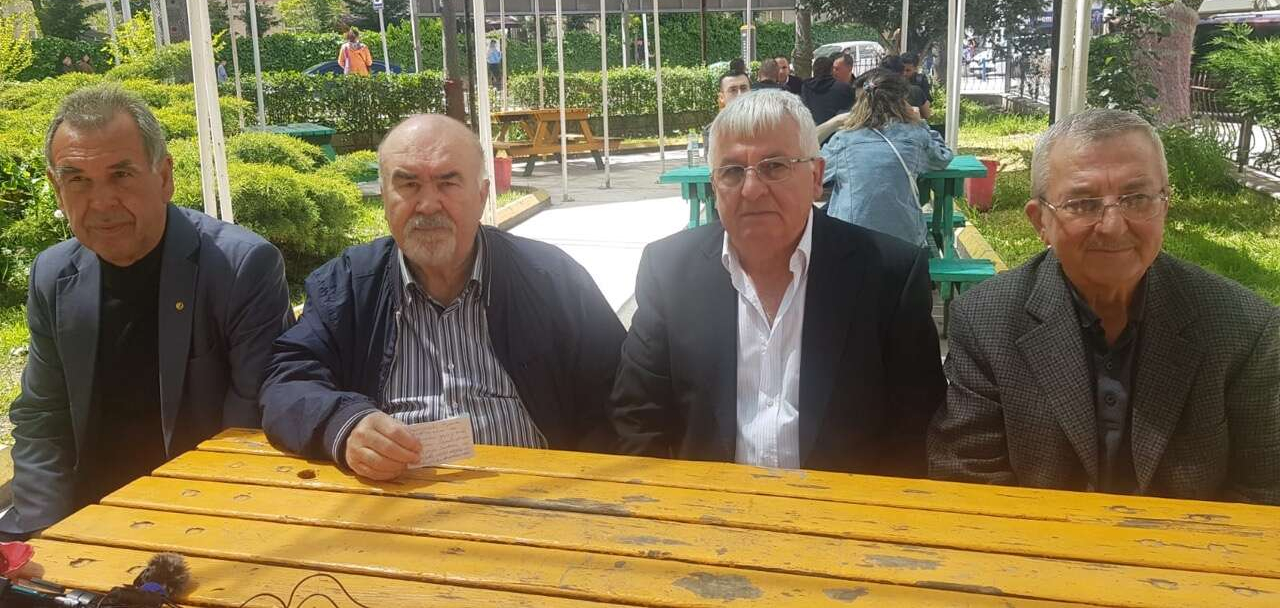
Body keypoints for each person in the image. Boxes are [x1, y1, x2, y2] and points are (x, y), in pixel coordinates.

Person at [928, 108, 1280, 505]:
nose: (1113, 226)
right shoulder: (988, 320)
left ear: (1165, 204)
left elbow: (1264, 495)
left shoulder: (1244, 330)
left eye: (1137, 198)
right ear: (1040, 222)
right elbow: (968, 481)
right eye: (1083, 203)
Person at [260, 115, 625, 482]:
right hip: (393, 496)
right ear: (384, 197)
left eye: (448, 183)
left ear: (482, 196)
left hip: (538, 493)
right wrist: (345, 423)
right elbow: (287, 383)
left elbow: (616, 395)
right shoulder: (347, 285)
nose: (428, 205)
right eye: (408, 184)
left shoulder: (552, 280)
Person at [0, 85, 291, 539]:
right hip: (83, 516)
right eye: (78, 180)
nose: (101, 202)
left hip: (200, 515)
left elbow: (249, 429)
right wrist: (45, 534)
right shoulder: (53, 274)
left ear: (165, 177)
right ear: (57, 189)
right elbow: (42, 418)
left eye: (121, 175)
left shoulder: (240, 268)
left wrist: (174, 537)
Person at [611, 91, 944, 475]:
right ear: (714, 186)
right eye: (732, 171)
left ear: (816, 177)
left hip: (839, 506)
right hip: (709, 505)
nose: (751, 189)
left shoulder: (888, 275)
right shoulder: (669, 271)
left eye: (774, 167)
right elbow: (637, 416)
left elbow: (915, 430)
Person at [822, 69, 951, 248]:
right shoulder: (915, 136)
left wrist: (834, 122)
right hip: (905, 242)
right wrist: (921, 122)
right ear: (902, 101)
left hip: (851, 241)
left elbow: (814, 170)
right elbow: (943, 158)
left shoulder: (843, 140)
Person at [801, 56, 855, 127]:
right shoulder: (843, 87)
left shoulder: (805, 86)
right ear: (831, 70)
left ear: (813, 70)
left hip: (812, 128)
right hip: (836, 128)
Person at [876, 55, 932, 120]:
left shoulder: (873, 92)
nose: (905, 74)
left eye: (908, 70)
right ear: (902, 72)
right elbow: (927, 115)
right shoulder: (915, 91)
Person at [900, 52, 933, 116]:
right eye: (902, 70)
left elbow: (927, 101)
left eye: (908, 70)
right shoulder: (896, 79)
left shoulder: (920, 80)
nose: (904, 73)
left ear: (915, 69)